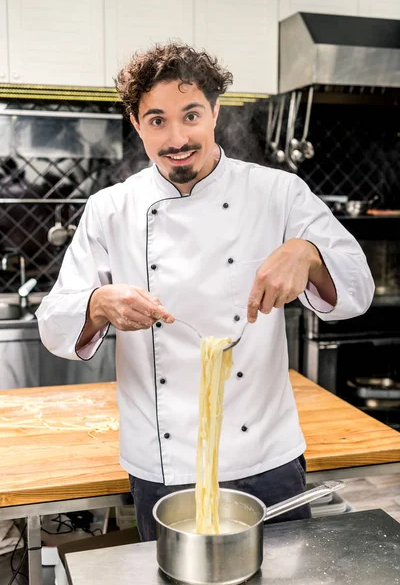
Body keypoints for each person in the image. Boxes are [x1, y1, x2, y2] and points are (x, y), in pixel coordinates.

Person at [36, 43, 375, 541]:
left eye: (191, 115)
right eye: (157, 120)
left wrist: (308, 255)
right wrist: (96, 304)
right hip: (161, 462)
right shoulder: (112, 209)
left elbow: (358, 287)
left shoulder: (278, 193)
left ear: (216, 111)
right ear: (135, 123)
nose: (177, 138)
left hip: (265, 454)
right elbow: (54, 322)